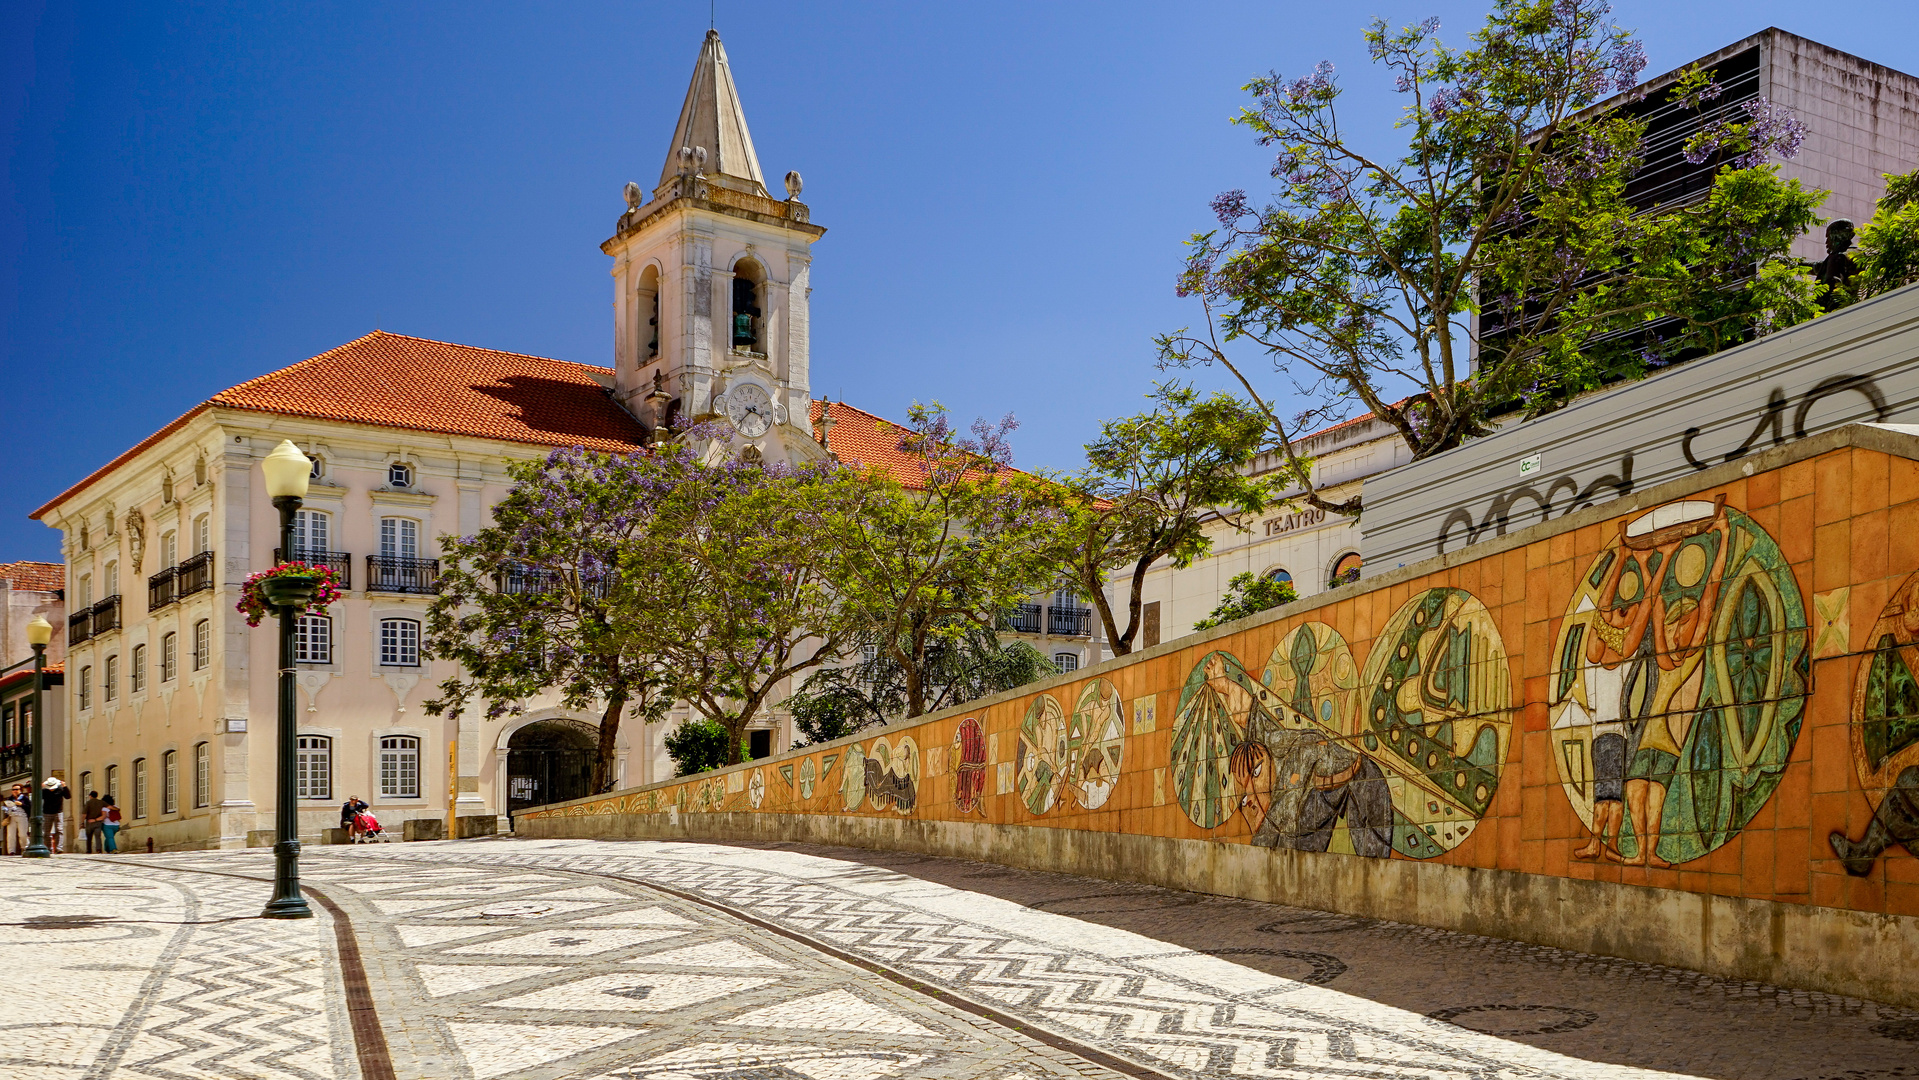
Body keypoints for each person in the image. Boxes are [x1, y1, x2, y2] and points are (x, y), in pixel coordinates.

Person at [40, 777, 70, 855]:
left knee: (59, 830)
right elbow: (38, 797)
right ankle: (49, 848)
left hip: (58, 812)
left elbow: (68, 796)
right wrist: (40, 789)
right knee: (46, 832)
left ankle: (58, 848)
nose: (51, 789)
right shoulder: (44, 791)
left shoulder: (60, 789)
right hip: (47, 812)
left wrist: (65, 787)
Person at [1, 784, 28, 855]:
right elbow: (4, 809)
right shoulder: (9, 799)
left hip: (22, 816)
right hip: (11, 817)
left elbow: (29, 807)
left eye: (17, 789)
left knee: (22, 834)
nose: (15, 791)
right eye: (13, 789)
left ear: (20, 790)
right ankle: (11, 851)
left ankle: (24, 848)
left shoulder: (25, 798)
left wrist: (21, 804)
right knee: (10, 835)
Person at [82, 790, 104, 854]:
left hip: (89, 822)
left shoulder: (88, 803)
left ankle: (89, 850)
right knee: (98, 837)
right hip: (98, 822)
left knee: (89, 837)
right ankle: (99, 849)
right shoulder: (101, 802)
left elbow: (84, 814)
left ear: (90, 796)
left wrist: (82, 822)